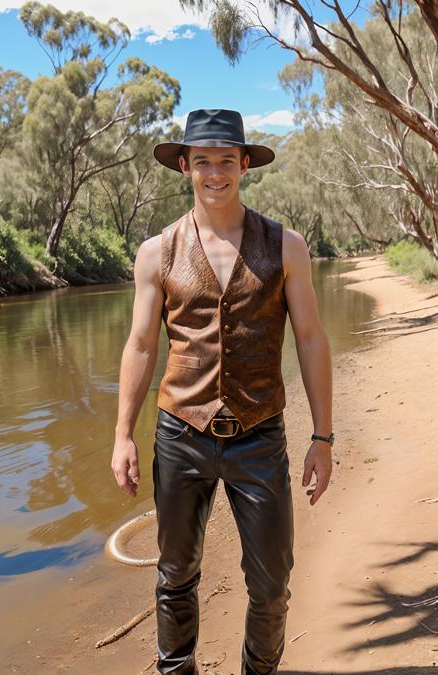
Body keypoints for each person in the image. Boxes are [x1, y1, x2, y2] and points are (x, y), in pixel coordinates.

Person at [111, 108, 334, 675]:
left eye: (226, 161)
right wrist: (123, 436)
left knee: (272, 584)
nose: (216, 173)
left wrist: (323, 436)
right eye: (204, 161)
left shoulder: (286, 246)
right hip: (180, 435)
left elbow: (309, 338)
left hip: (260, 437)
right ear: (185, 165)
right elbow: (140, 346)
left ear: (244, 166)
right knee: (176, 574)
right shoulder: (157, 251)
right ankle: (175, 669)